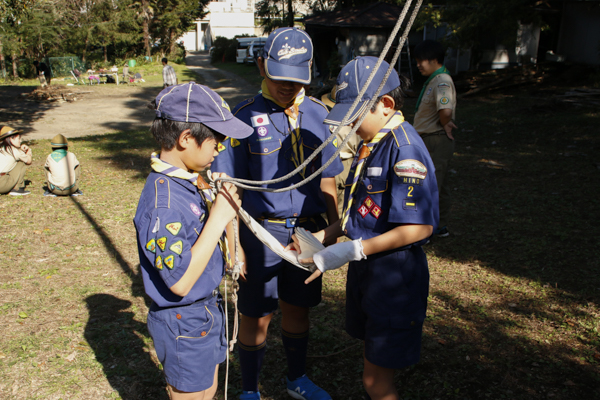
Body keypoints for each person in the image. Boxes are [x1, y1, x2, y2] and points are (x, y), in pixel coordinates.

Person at [289, 56, 439, 400]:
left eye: (355, 116)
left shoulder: (404, 149)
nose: (350, 125)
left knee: (375, 382)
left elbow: (420, 228)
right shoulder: (373, 143)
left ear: (385, 105)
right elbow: (363, 209)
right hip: (368, 269)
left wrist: (354, 249)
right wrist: (326, 237)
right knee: (372, 357)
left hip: (393, 275)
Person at [211, 27, 343, 400]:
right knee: (257, 314)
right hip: (260, 236)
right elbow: (228, 192)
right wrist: (233, 246)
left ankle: (296, 379)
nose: (287, 87)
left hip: (309, 234)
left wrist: (334, 231)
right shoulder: (241, 120)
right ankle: (250, 389)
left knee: (298, 308)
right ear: (261, 65)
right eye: (279, 77)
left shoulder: (320, 115)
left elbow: (328, 183)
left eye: (296, 79)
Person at [133, 82, 253, 399]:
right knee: (189, 393)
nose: (220, 149)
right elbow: (181, 282)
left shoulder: (187, 180)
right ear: (186, 139)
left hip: (204, 310)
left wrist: (228, 232)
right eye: (217, 140)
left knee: (207, 387)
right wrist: (219, 217)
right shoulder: (163, 203)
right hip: (182, 319)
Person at [413, 40, 457, 238]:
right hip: (430, 137)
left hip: (435, 139)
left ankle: (428, 230)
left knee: (432, 186)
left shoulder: (442, 80)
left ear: (433, 59)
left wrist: (444, 121)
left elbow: (445, 110)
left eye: (421, 60)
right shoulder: (434, 79)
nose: (418, 65)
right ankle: (439, 226)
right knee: (439, 184)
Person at [321, 85, 360, 217]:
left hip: (343, 163)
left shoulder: (352, 121)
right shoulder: (353, 120)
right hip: (335, 162)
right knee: (335, 207)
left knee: (340, 207)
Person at [0, 125, 32, 196]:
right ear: (11, 138)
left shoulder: (1, 149)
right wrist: (28, 152)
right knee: (20, 162)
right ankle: (17, 189)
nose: (20, 141)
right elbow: (28, 161)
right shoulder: (14, 150)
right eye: (18, 139)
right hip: (2, 184)